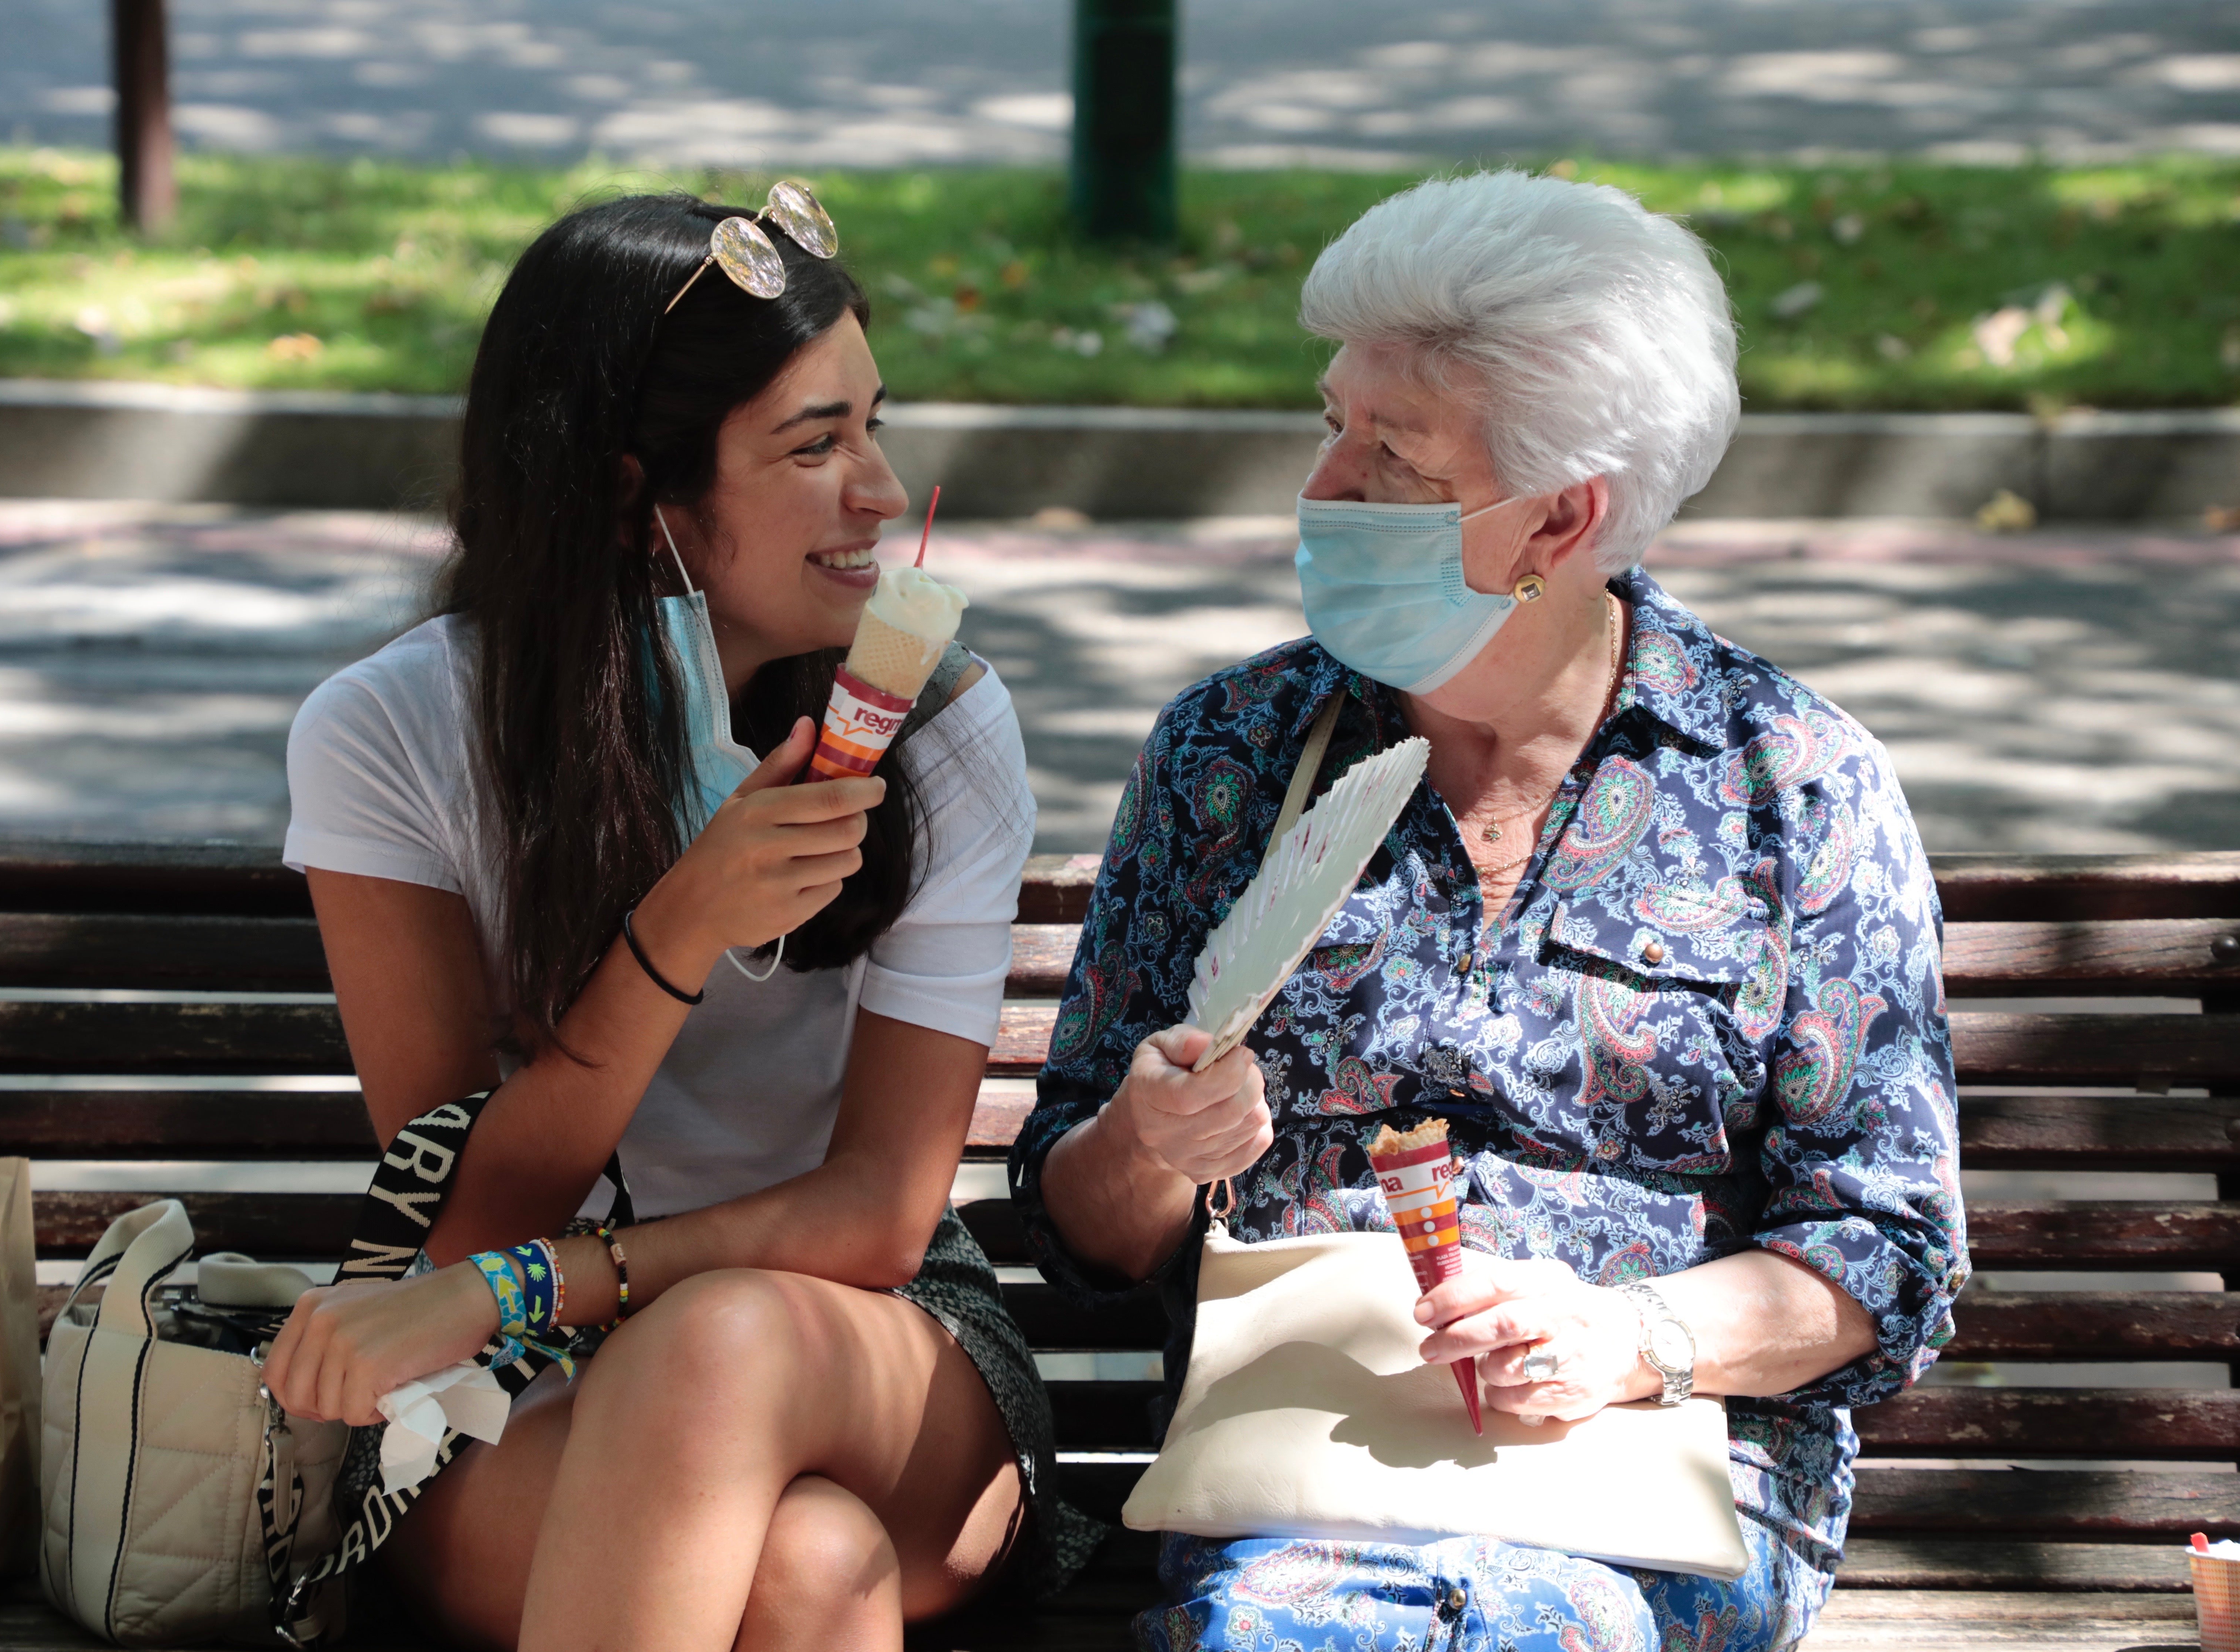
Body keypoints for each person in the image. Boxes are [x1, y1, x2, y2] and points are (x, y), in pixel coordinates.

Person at [1010, 170, 1967, 1650]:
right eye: (1331, 422)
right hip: (1301, 1479)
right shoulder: (1232, 755)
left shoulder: (1793, 783)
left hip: (1655, 1476)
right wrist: (1142, 1148)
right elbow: (1079, 1229)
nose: (1323, 486)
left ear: (1563, 517)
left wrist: (1632, 1337)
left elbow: (1886, 1247)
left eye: (1392, 455)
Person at [261, 191, 1097, 1652]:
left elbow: (883, 1213)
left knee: (717, 1346)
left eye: (874, 426)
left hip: (865, 1334)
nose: (883, 491)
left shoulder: (944, 727)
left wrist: (536, 1282)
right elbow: (466, 1209)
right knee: (806, 1571)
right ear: (640, 500)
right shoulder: (395, 735)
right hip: (512, 1373)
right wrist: (674, 935)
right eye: (816, 444)